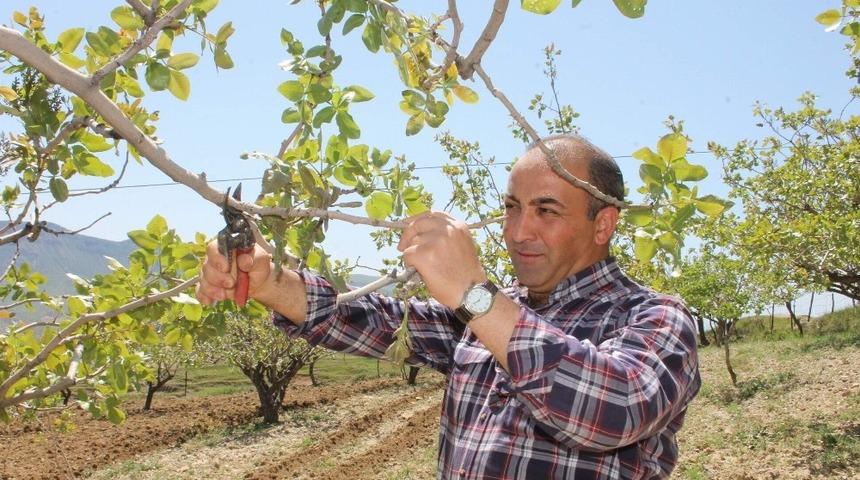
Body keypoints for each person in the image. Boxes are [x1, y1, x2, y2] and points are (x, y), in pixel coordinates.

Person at [197, 134, 701, 479]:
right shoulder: (488, 318)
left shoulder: (653, 317)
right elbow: (373, 321)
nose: (517, 232)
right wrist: (270, 281)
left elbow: (617, 409)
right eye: (511, 208)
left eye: (546, 210)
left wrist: (474, 294)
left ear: (603, 224)